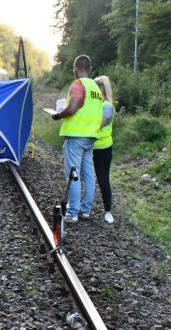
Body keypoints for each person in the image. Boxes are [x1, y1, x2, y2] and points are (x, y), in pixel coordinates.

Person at [52, 55, 103, 223]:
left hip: (76, 136)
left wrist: (58, 115)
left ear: (76, 68)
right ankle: (85, 210)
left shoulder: (78, 84)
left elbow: (73, 106)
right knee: (88, 175)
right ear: (90, 68)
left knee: (73, 175)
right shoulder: (95, 87)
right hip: (91, 136)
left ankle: (73, 212)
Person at [93, 75, 115, 224]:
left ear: (102, 89)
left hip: (102, 149)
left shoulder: (107, 106)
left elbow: (97, 126)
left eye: (96, 88)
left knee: (103, 180)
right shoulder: (95, 104)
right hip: (90, 147)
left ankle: (108, 211)